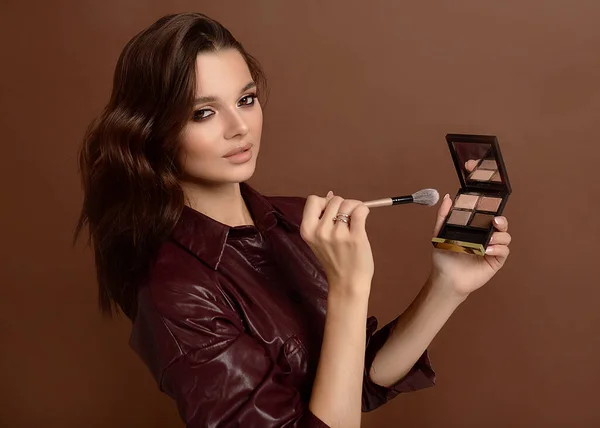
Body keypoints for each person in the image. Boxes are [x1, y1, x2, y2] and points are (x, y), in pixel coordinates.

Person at [75, 12, 512, 428]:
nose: (239, 127)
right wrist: (348, 288)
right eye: (203, 112)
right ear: (153, 130)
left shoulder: (298, 219)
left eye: (246, 100)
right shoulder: (175, 292)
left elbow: (353, 381)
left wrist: (447, 285)